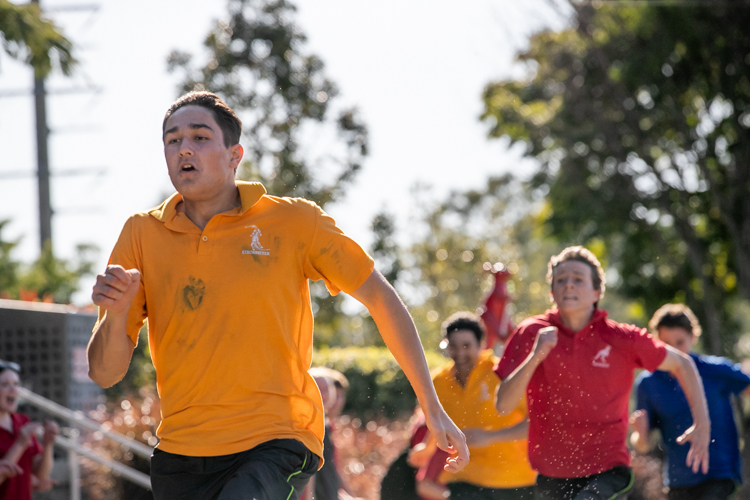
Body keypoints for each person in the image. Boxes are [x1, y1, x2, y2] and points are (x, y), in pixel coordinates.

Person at [87, 91, 468, 500]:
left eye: (200, 137)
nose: (184, 149)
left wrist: (432, 407)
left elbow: (380, 298)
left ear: (234, 155)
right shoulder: (140, 234)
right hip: (180, 456)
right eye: (172, 140)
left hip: (276, 441)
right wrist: (116, 313)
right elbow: (104, 373)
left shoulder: (294, 221)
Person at [493, 246, 710, 500]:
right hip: (550, 474)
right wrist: (535, 356)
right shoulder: (531, 333)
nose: (568, 285)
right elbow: (503, 405)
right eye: (561, 280)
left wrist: (703, 424)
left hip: (607, 470)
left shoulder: (622, 338)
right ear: (552, 292)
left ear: (596, 291)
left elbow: (683, 363)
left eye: (578, 279)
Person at [631, 303, 750, 500]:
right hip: (678, 480)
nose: (674, 351)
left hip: (719, 474)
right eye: (666, 344)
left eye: (680, 342)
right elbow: (642, 445)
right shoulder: (648, 383)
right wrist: (641, 434)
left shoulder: (716, 370)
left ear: (693, 336)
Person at [432, 312, 536, 500]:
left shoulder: (503, 374)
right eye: (453, 346)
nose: (460, 353)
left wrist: (490, 437)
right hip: (463, 478)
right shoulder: (437, 382)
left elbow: (537, 422)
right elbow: (434, 422)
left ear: (482, 345)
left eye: (466, 346)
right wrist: (425, 448)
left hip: (512, 480)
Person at [0, 360, 58, 499]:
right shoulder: (24, 432)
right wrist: (20, 444)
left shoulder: (23, 421)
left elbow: (40, 473)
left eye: (16, 384)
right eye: (5, 384)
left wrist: (48, 444)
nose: (13, 389)